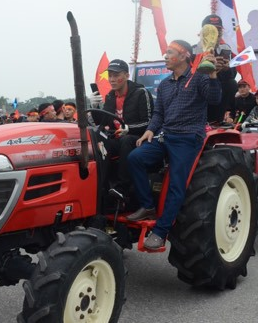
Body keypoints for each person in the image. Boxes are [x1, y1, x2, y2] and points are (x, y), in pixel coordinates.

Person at [127, 40, 221, 250]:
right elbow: (159, 113)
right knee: (135, 158)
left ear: (184, 55)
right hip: (165, 136)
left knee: (176, 184)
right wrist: (150, 129)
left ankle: (160, 232)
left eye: (169, 52)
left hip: (188, 138)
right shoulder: (165, 85)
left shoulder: (199, 78)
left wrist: (213, 73)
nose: (165, 55)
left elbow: (214, 99)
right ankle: (148, 206)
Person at [95, 59, 154, 198]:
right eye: (110, 75)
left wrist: (129, 128)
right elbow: (103, 123)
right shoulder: (110, 96)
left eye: (116, 75)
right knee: (97, 140)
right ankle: (100, 186)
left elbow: (149, 122)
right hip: (117, 138)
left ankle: (122, 188)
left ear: (127, 76)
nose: (112, 79)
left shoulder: (141, 92)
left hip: (139, 138)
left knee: (126, 140)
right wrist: (96, 107)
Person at [198, 14, 237, 125]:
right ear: (203, 32)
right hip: (199, 88)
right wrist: (208, 69)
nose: (217, 32)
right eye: (212, 29)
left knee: (232, 83)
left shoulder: (226, 48)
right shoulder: (193, 50)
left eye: (219, 29)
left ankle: (218, 120)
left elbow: (233, 73)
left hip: (218, 87)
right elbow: (188, 75)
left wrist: (225, 69)